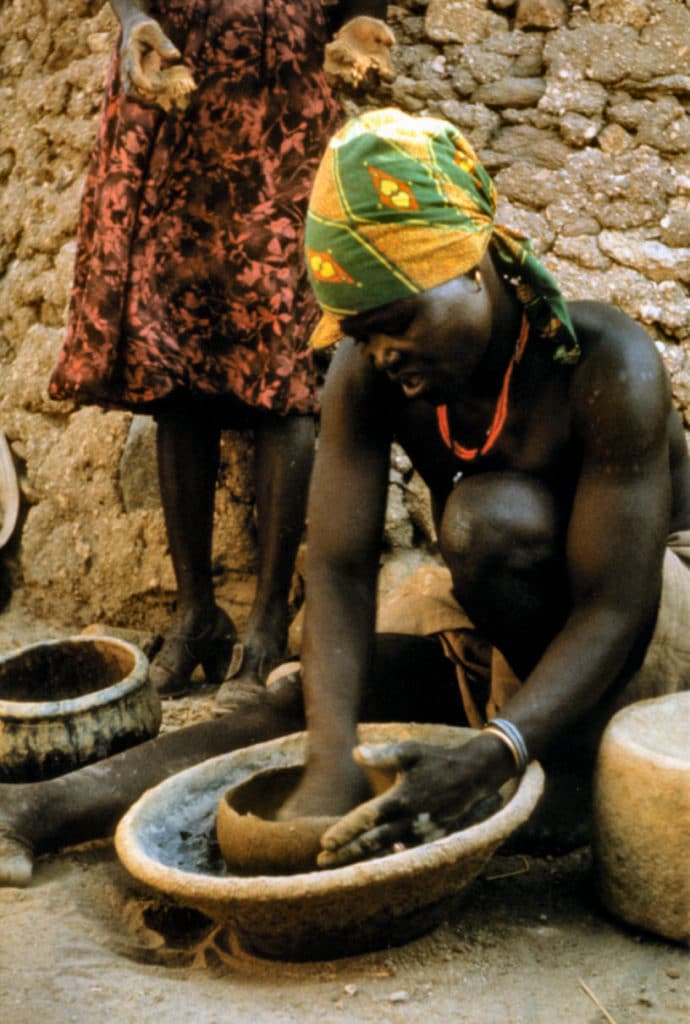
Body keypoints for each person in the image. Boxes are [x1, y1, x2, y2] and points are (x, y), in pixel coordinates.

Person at [1, 108, 687, 887]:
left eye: (397, 322)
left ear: (469, 264)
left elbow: (612, 609)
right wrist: (330, 767)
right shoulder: (371, 376)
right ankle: (34, 810)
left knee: (488, 522)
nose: (383, 352)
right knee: (315, 701)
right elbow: (337, 571)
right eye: (361, 334)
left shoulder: (609, 364)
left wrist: (495, 750)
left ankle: (561, 775)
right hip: (510, 650)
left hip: (653, 655)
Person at [48, 0, 392, 709]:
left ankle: (267, 621)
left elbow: (365, 6)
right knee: (175, 362)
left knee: (287, 360)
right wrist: (133, 22)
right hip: (181, 93)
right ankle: (195, 613)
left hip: (289, 107)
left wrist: (361, 26)